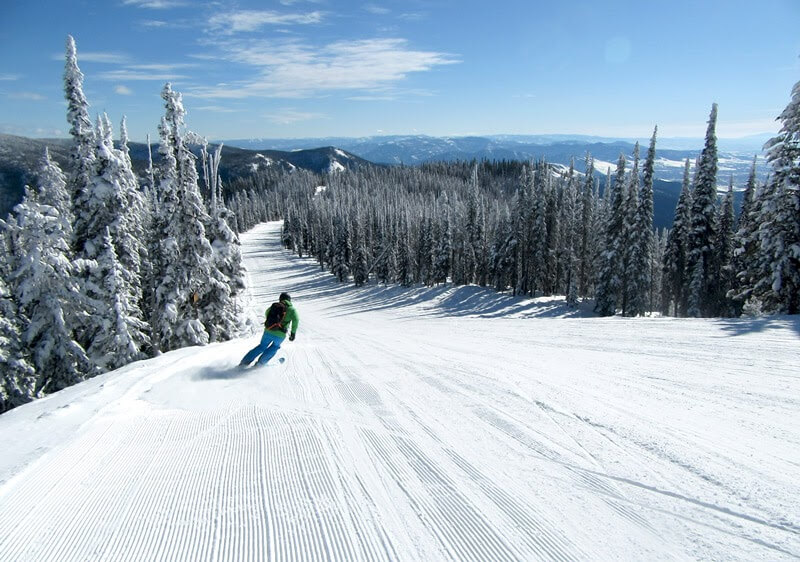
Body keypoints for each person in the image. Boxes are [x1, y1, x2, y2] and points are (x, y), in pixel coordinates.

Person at [240, 292, 299, 367]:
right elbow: (296, 320)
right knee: (274, 347)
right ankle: (260, 363)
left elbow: (267, 312)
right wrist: (293, 333)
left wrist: (272, 323)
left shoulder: (275, 306)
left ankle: (244, 362)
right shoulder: (292, 310)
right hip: (280, 335)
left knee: (262, 346)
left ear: (280, 299)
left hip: (269, 330)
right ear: (289, 300)